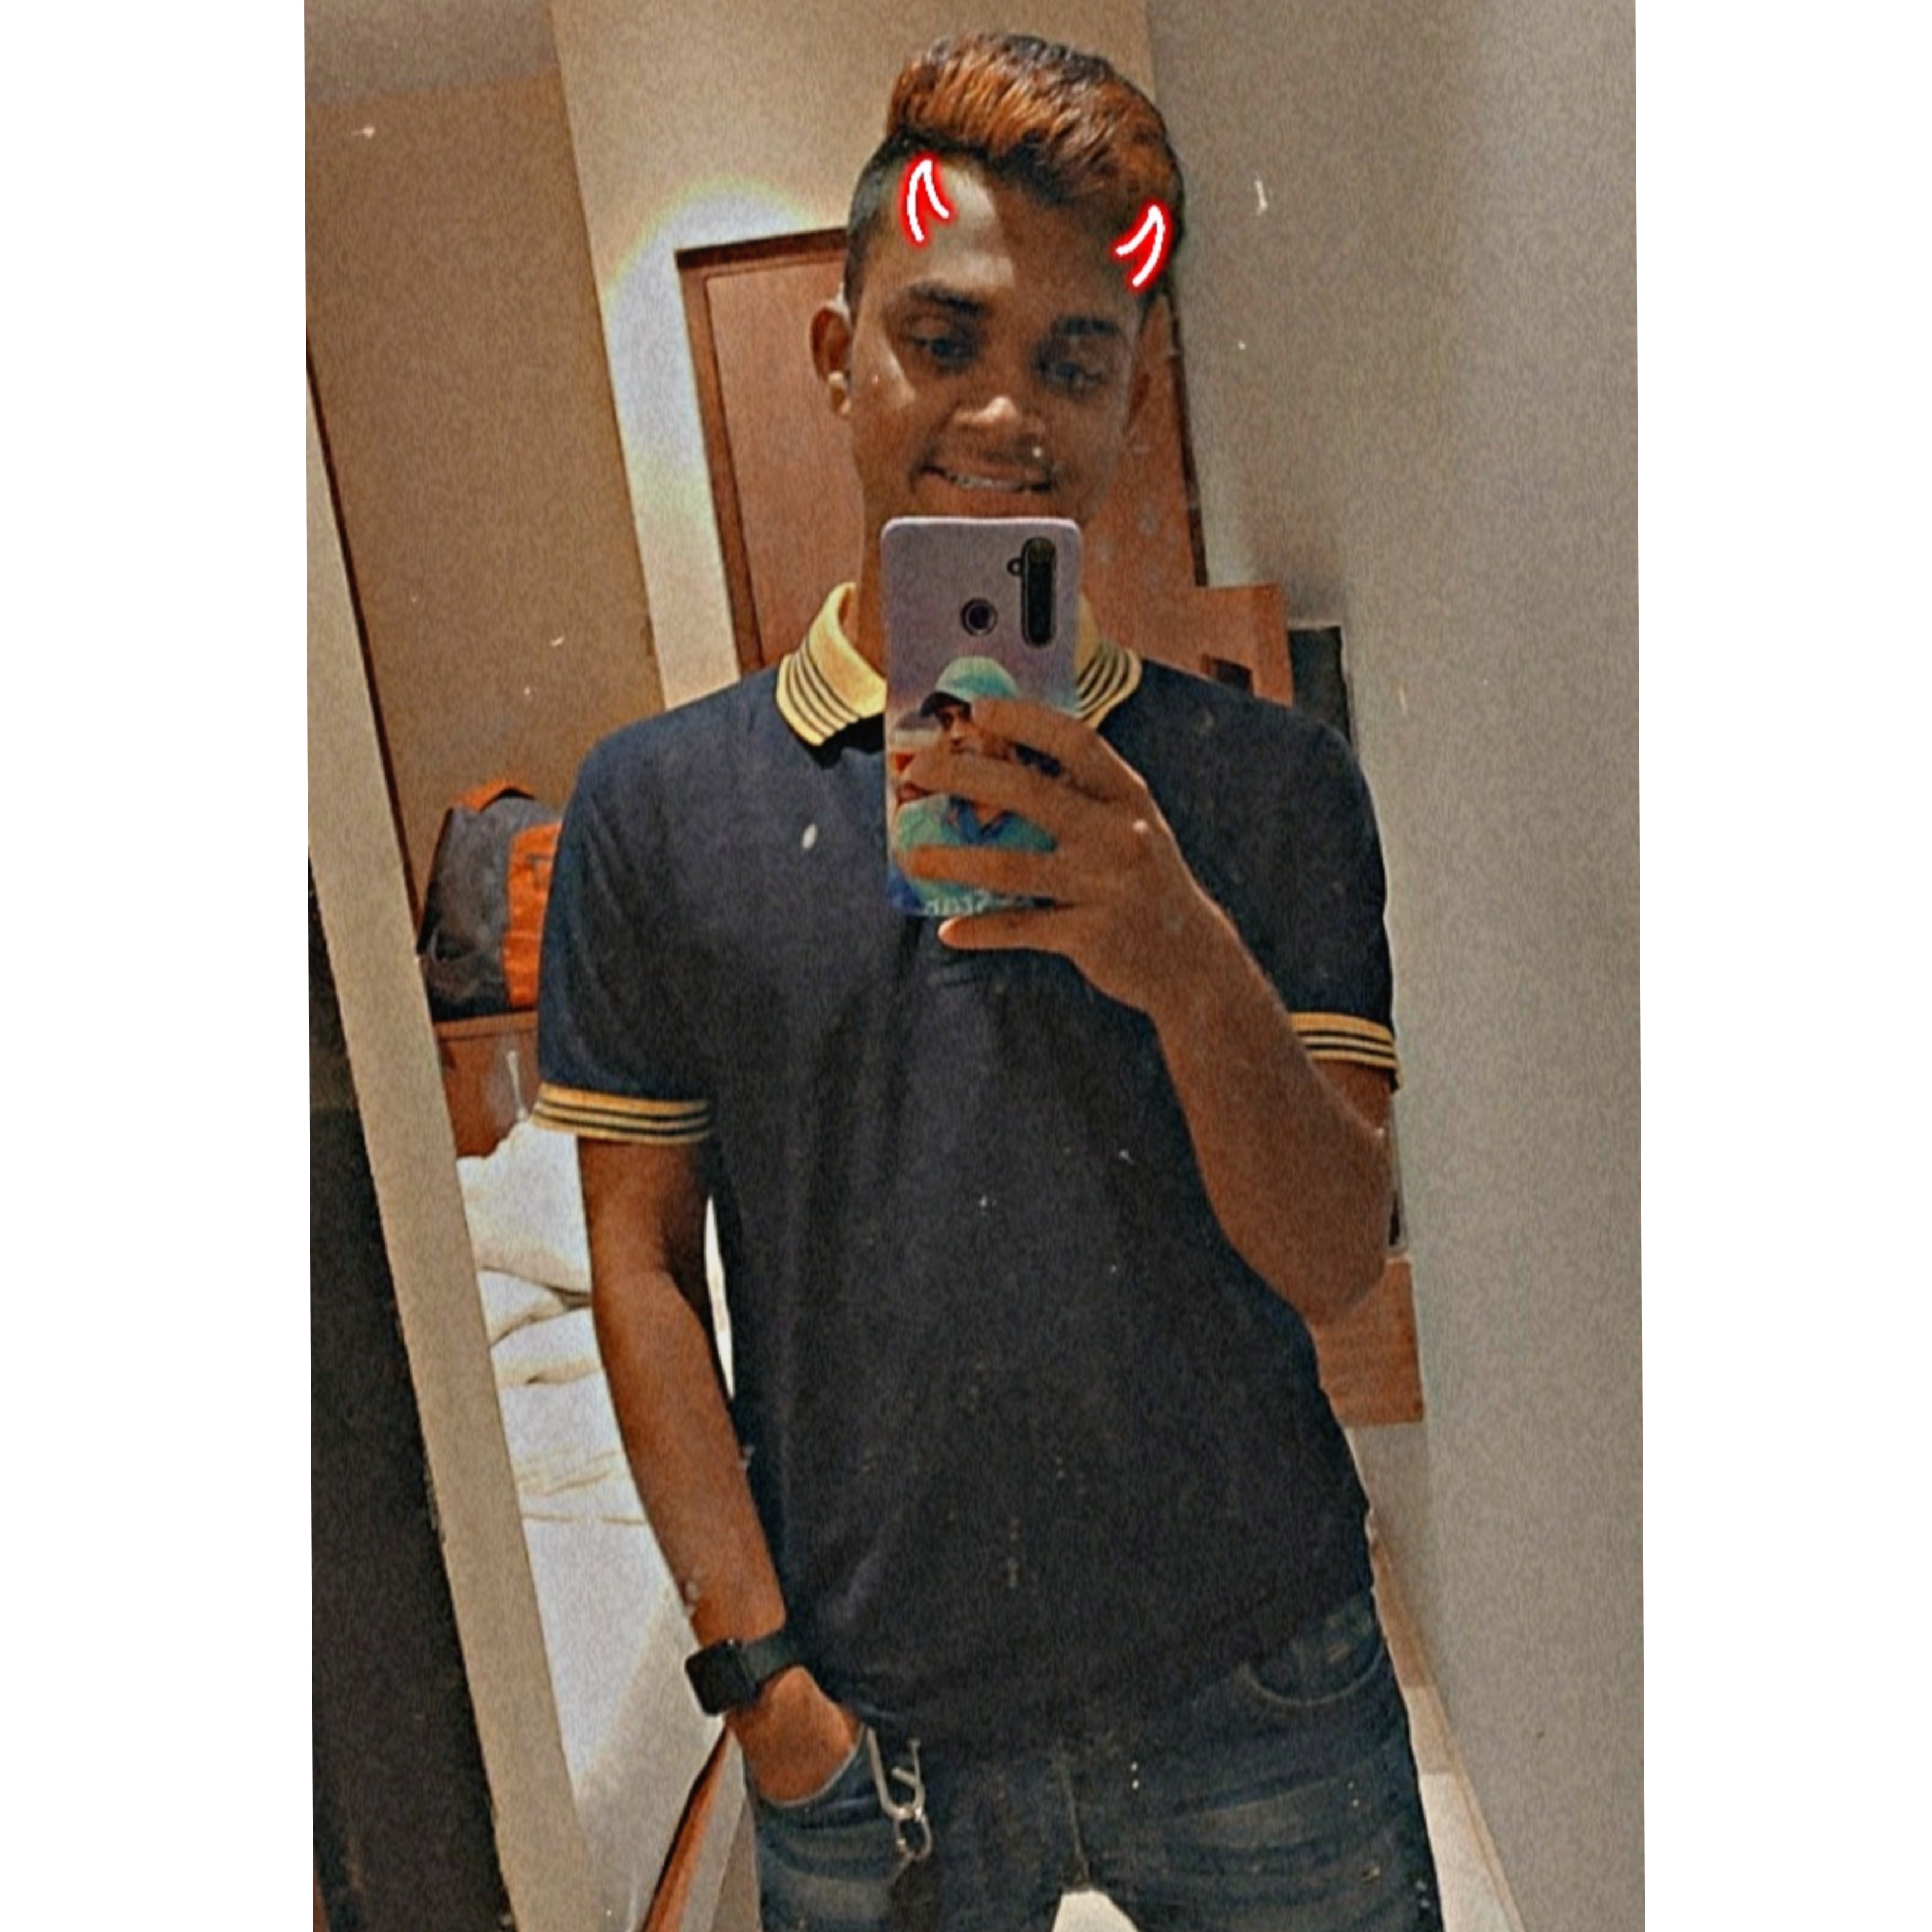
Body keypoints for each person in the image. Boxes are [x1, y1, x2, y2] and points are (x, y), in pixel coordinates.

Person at [536, 30, 1440, 1931]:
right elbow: (640, 1266)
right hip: (873, 1733)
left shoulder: (1269, 788)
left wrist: (1176, 947)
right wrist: (758, 1685)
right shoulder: (656, 810)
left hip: (1263, 1680)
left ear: (1134, 392)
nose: (1009, 412)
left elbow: (1335, 1255)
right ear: (836, 354)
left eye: (1074, 361)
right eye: (942, 340)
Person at [890, 656, 1056, 915]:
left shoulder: (1050, 829)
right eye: (946, 721)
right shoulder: (915, 828)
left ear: (1010, 727)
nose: (956, 735)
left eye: (969, 716)